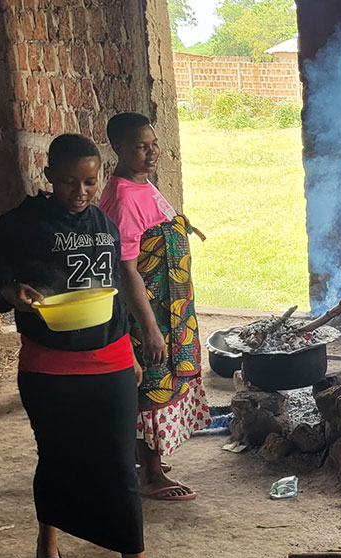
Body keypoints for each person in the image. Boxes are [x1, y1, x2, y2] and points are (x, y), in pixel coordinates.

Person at [0, 133, 178, 558]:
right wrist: (11, 292)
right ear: (48, 176)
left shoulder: (104, 225)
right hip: (48, 364)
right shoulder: (20, 225)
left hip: (109, 362)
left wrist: (131, 344)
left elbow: (114, 288)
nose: (80, 192)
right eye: (69, 182)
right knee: (57, 457)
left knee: (118, 468)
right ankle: (49, 544)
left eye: (90, 181)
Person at [100, 112, 210, 502]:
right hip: (149, 312)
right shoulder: (123, 198)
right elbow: (127, 269)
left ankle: (146, 460)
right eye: (140, 147)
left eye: (154, 144)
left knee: (160, 381)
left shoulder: (142, 185)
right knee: (151, 384)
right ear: (118, 148)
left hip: (170, 309)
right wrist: (149, 327)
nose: (151, 153)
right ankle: (149, 474)